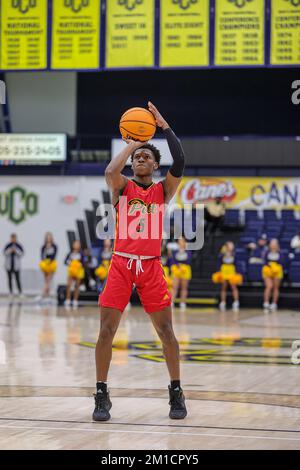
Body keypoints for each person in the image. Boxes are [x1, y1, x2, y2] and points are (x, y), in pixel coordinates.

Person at [94, 101, 186, 421]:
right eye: (136, 157)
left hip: (150, 266)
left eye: (146, 155)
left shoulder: (163, 191)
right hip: (121, 263)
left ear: (155, 166)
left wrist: (163, 126)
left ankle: (176, 392)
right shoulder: (121, 187)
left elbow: (182, 160)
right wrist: (133, 142)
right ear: (132, 165)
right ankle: (101, 393)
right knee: (106, 330)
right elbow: (109, 171)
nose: (141, 158)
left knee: (166, 331)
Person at [212, 241, 243, 312]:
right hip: (224, 270)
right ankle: (223, 302)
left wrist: (237, 273)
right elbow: (218, 263)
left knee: (233, 286)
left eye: (232, 246)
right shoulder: (222, 254)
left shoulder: (234, 254)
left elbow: (237, 264)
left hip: (231, 270)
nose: (231, 247)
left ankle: (236, 302)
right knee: (224, 287)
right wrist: (218, 271)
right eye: (230, 245)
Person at [262, 239, 284, 312]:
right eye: (272, 243)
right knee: (269, 286)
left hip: (277, 271)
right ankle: (266, 303)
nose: (273, 245)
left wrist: (276, 268)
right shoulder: (266, 252)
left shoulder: (280, 253)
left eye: (275, 243)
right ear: (270, 245)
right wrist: (269, 267)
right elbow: (264, 261)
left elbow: (282, 262)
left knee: (275, 287)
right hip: (268, 270)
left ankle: (274, 304)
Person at [170, 237, 192, 309]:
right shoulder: (175, 251)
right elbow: (172, 260)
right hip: (176, 269)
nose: (180, 242)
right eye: (179, 241)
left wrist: (182, 266)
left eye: (182, 241)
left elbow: (188, 261)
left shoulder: (188, 251)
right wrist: (177, 265)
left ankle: (183, 303)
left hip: (185, 270)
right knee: (174, 287)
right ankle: (172, 302)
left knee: (184, 287)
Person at [64, 240, 84, 309]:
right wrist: (69, 263)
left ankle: (75, 300)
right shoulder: (70, 253)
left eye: (78, 244)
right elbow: (65, 261)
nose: (76, 245)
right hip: (71, 270)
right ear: (73, 245)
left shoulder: (81, 253)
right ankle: (68, 299)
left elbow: (84, 262)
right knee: (69, 285)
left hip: (78, 271)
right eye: (75, 244)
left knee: (77, 286)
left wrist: (80, 264)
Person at [38, 232, 58, 302]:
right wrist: (44, 261)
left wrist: (50, 261)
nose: (48, 239)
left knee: (48, 281)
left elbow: (54, 255)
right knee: (46, 280)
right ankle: (47, 296)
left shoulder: (54, 246)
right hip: (45, 264)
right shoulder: (44, 246)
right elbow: (42, 255)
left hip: (52, 264)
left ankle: (42, 294)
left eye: (50, 237)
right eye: (47, 237)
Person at [3, 234, 24, 298]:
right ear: (11, 238)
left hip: (16, 265)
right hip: (9, 265)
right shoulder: (8, 245)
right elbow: (4, 253)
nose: (13, 239)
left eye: (14, 238)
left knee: (17, 279)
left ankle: (20, 292)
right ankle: (11, 292)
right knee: (9, 279)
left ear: (16, 238)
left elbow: (21, 254)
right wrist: (10, 250)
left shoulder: (18, 245)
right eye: (12, 238)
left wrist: (16, 250)